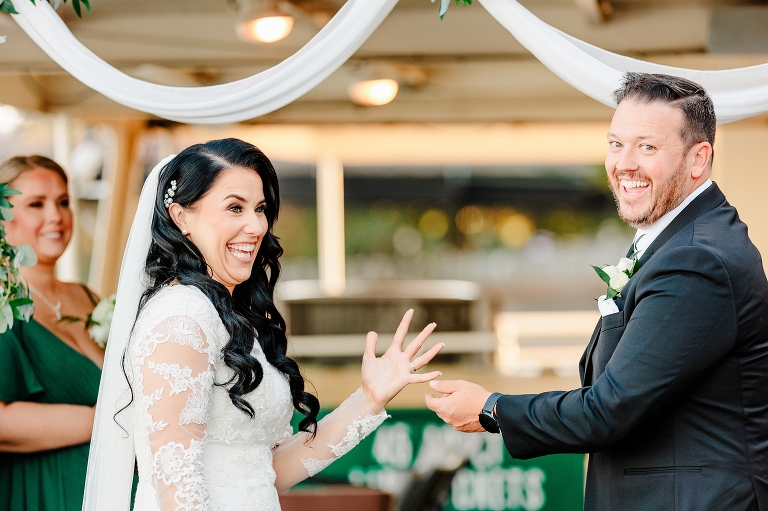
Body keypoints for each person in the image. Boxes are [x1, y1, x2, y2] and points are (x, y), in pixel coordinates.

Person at [425, 73, 768, 511]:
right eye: (616, 144)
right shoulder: (678, 240)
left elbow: (610, 409)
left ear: (698, 159)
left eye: (647, 147)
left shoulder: (697, 259)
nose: (625, 163)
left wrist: (492, 409)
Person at [83, 138, 444, 511]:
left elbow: (263, 471)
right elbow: (178, 488)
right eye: (235, 207)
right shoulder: (182, 316)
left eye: (260, 209)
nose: (255, 226)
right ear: (181, 217)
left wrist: (368, 399)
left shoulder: (226, 315)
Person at [0, 155, 103, 511]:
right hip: (41, 492)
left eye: (62, 202)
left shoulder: (88, 298)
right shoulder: (2, 304)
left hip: (108, 488)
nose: (56, 216)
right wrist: (110, 420)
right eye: (36, 204)